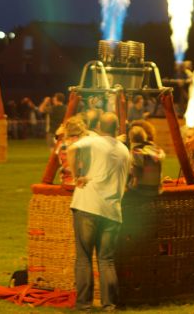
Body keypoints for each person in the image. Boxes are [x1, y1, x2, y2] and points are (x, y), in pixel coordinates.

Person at [66, 112, 131, 311]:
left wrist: (76, 174)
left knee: (84, 257)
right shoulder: (124, 150)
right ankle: (109, 304)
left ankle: (84, 305)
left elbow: (71, 148)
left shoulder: (93, 142)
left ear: (100, 127)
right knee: (107, 260)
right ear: (117, 129)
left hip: (87, 204)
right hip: (112, 211)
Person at [127, 121, 164, 195]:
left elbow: (135, 171)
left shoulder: (136, 152)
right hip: (156, 189)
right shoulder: (157, 150)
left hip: (140, 189)